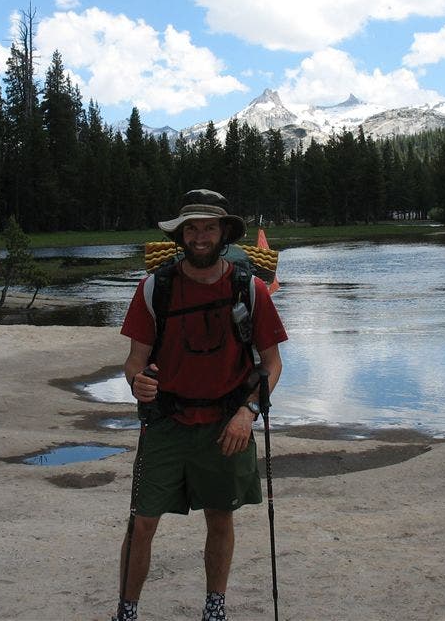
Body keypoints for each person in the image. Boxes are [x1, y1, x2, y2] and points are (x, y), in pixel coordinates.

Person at [112, 189, 287, 621]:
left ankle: (214, 609)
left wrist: (248, 412)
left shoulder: (250, 290)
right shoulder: (155, 288)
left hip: (227, 424)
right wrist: (137, 383)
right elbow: (134, 361)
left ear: (225, 233)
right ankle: (126, 612)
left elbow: (272, 364)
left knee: (220, 519)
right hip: (165, 423)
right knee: (141, 522)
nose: (200, 236)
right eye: (192, 228)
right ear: (180, 235)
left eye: (209, 227)